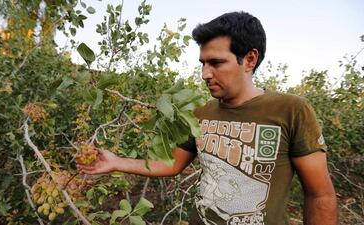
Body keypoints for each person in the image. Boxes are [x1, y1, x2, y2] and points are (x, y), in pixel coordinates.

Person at [77, 11, 337, 225]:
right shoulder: (200, 113)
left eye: (216, 63)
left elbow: (319, 195)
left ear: (249, 59)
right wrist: (115, 162)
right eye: (202, 63)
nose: (205, 73)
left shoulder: (291, 110)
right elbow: (171, 164)